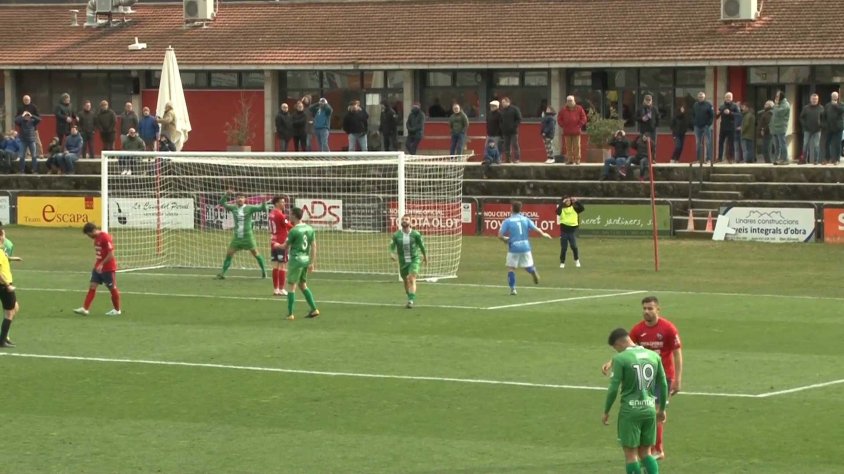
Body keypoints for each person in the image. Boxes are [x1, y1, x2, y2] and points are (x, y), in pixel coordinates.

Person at [602, 296, 683, 461]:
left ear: (658, 309)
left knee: (656, 410)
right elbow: (626, 347)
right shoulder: (638, 329)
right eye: (644, 308)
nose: (646, 311)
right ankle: (648, 448)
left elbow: (677, 352)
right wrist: (611, 362)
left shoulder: (668, 328)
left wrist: (678, 378)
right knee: (647, 410)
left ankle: (657, 449)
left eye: (650, 308)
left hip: (663, 375)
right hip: (644, 377)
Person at [602, 327, 667, 474]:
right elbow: (663, 384)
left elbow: (613, 388)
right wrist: (662, 409)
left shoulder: (620, 359)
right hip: (649, 409)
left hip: (630, 412)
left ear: (618, 344)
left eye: (615, 348)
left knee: (631, 455)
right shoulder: (653, 356)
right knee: (646, 453)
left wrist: (606, 411)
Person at [497, 201, 552, 295]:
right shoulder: (525, 219)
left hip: (514, 247)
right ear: (520, 209)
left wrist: (505, 239)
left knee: (511, 268)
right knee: (527, 266)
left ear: (511, 208)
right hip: (526, 246)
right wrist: (543, 234)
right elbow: (536, 228)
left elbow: (499, 235)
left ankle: (513, 289)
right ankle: (532, 271)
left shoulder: (508, 221)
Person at [216, 190, 269, 280]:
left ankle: (264, 272)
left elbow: (263, 209)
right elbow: (221, 203)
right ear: (236, 199)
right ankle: (222, 273)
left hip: (248, 236)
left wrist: (263, 202)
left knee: (256, 253)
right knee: (229, 253)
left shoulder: (250, 208)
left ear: (245, 199)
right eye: (238, 198)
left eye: (242, 198)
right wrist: (226, 194)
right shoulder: (233, 208)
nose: (240, 199)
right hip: (237, 237)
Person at [74, 223, 122, 316]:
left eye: (89, 235)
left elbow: (111, 254)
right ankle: (85, 309)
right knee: (92, 286)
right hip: (98, 268)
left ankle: (117, 310)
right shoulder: (96, 238)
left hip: (108, 268)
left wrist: (102, 264)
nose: (89, 237)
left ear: (92, 231)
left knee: (112, 288)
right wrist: (98, 265)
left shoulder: (105, 237)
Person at [282, 206, 319, 320]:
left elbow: (285, 246)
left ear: (294, 215)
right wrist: (312, 263)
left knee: (291, 286)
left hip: (296, 260)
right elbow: (314, 246)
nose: (289, 215)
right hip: (305, 260)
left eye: (290, 214)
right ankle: (314, 309)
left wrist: (276, 245)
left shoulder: (294, 231)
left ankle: (290, 314)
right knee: (302, 285)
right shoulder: (309, 228)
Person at [389, 214, 428, 309]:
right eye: (403, 219)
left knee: (411, 278)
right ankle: (409, 296)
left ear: (410, 222)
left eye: (406, 219)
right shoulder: (396, 235)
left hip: (414, 260)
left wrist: (425, 256)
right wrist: (391, 254)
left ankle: (411, 301)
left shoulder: (416, 234)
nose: (404, 221)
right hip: (403, 262)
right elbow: (392, 246)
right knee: (405, 280)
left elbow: (422, 246)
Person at [268, 196, 293, 296]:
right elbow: (289, 226)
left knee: (275, 265)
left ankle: (276, 289)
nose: (284, 204)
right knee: (282, 265)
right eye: (282, 202)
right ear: (276, 203)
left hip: (273, 241)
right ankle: (282, 289)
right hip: (282, 242)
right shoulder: (280, 215)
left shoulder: (271, 213)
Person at [0, 227, 21, 347]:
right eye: (3, 235)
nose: (4, 237)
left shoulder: (2, 250)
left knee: (14, 308)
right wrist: (7, 285)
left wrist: (13, 258)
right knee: (9, 313)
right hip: (4, 285)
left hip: (6, 284)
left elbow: (4, 259)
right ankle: (2, 340)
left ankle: (4, 337)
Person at [558, 96, 587, 165]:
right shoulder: (563, 109)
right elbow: (559, 118)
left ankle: (577, 160)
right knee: (568, 147)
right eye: (568, 101)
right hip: (567, 131)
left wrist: (579, 125)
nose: (569, 102)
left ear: (574, 101)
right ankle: (570, 160)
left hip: (576, 131)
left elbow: (584, 118)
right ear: (566, 102)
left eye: (571, 100)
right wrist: (563, 125)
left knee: (577, 146)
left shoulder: (579, 108)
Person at [556, 196, 584, 268]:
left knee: (574, 247)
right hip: (564, 232)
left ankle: (576, 260)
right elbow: (557, 212)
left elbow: (582, 208)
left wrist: (576, 201)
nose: (568, 202)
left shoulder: (574, 208)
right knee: (564, 248)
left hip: (572, 232)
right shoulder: (562, 209)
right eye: (566, 201)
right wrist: (562, 203)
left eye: (569, 200)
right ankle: (562, 262)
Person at [800, 93, 824, 165]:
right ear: (810, 99)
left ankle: (816, 160)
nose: (814, 100)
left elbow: (824, 118)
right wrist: (805, 125)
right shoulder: (806, 108)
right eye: (813, 99)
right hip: (807, 130)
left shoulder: (821, 108)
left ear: (818, 100)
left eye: (816, 99)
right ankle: (804, 160)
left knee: (816, 146)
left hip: (817, 130)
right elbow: (801, 118)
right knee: (805, 145)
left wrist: (821, 125)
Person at [717, 92, 740, 163]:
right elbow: (717, 116)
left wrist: (730, 113)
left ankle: (731, 158)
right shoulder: (722, 106)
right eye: (727, 97)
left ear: (732, 98)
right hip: (723, 127)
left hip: (731, 127)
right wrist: (716, 113)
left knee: (731, 143)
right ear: (724, 98)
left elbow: (738, 115)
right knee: (720, 143)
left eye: (729, 97)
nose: (728, 98)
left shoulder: (735, 106)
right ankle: (720, 158)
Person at [692, 91, 715, 162]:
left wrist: (708, 124)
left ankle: (708, 159)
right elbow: (692, 114)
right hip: (697, 127)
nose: (700, 98)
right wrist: (694, 122)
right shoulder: (695, 105)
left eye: (702, 97)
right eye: (699, 97)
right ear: (697, 97)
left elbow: (712, 115)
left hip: (706, 126)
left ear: (704, 97)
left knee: (708, 142)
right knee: (698, 143)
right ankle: (698, 159)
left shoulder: (708, 105)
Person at [499, 97, 522, 163]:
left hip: (513, 131)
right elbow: (500, 120)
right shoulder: (502, 111)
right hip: (505, 131)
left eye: (503, 102)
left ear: (508, 102)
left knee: (515, 144)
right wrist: (502, 127)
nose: (502, 104)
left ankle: (517, 159)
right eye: (502, 103)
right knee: (506, 145)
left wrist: (514, 126)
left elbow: (519, 119)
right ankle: (508, 159)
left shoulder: (514, 109)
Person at [823, 91, 844, 165]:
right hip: (829, 128)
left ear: (838, 97)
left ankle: (837, 160)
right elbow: (824, 115)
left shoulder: (841, 104)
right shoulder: (827, 105)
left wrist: (835, 105)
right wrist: (824, 124)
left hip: (838, 128)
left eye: (836, 96)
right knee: (827, 144)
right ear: (831, 97)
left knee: (837, 144)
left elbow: (842, 110)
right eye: (833, 96)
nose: (834, 97)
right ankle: (827, 159)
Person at [770, 90, 791, 164]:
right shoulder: (778, 104)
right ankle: (777, 159)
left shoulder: (785, 104)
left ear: (781, 96)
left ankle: (785, 159)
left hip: (781, 127)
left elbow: (779, 112)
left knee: (782, 144)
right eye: (776, 96)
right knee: (776, 145)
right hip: (775, 127)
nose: (776, 97)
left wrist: (775, 105)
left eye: (778, 96)